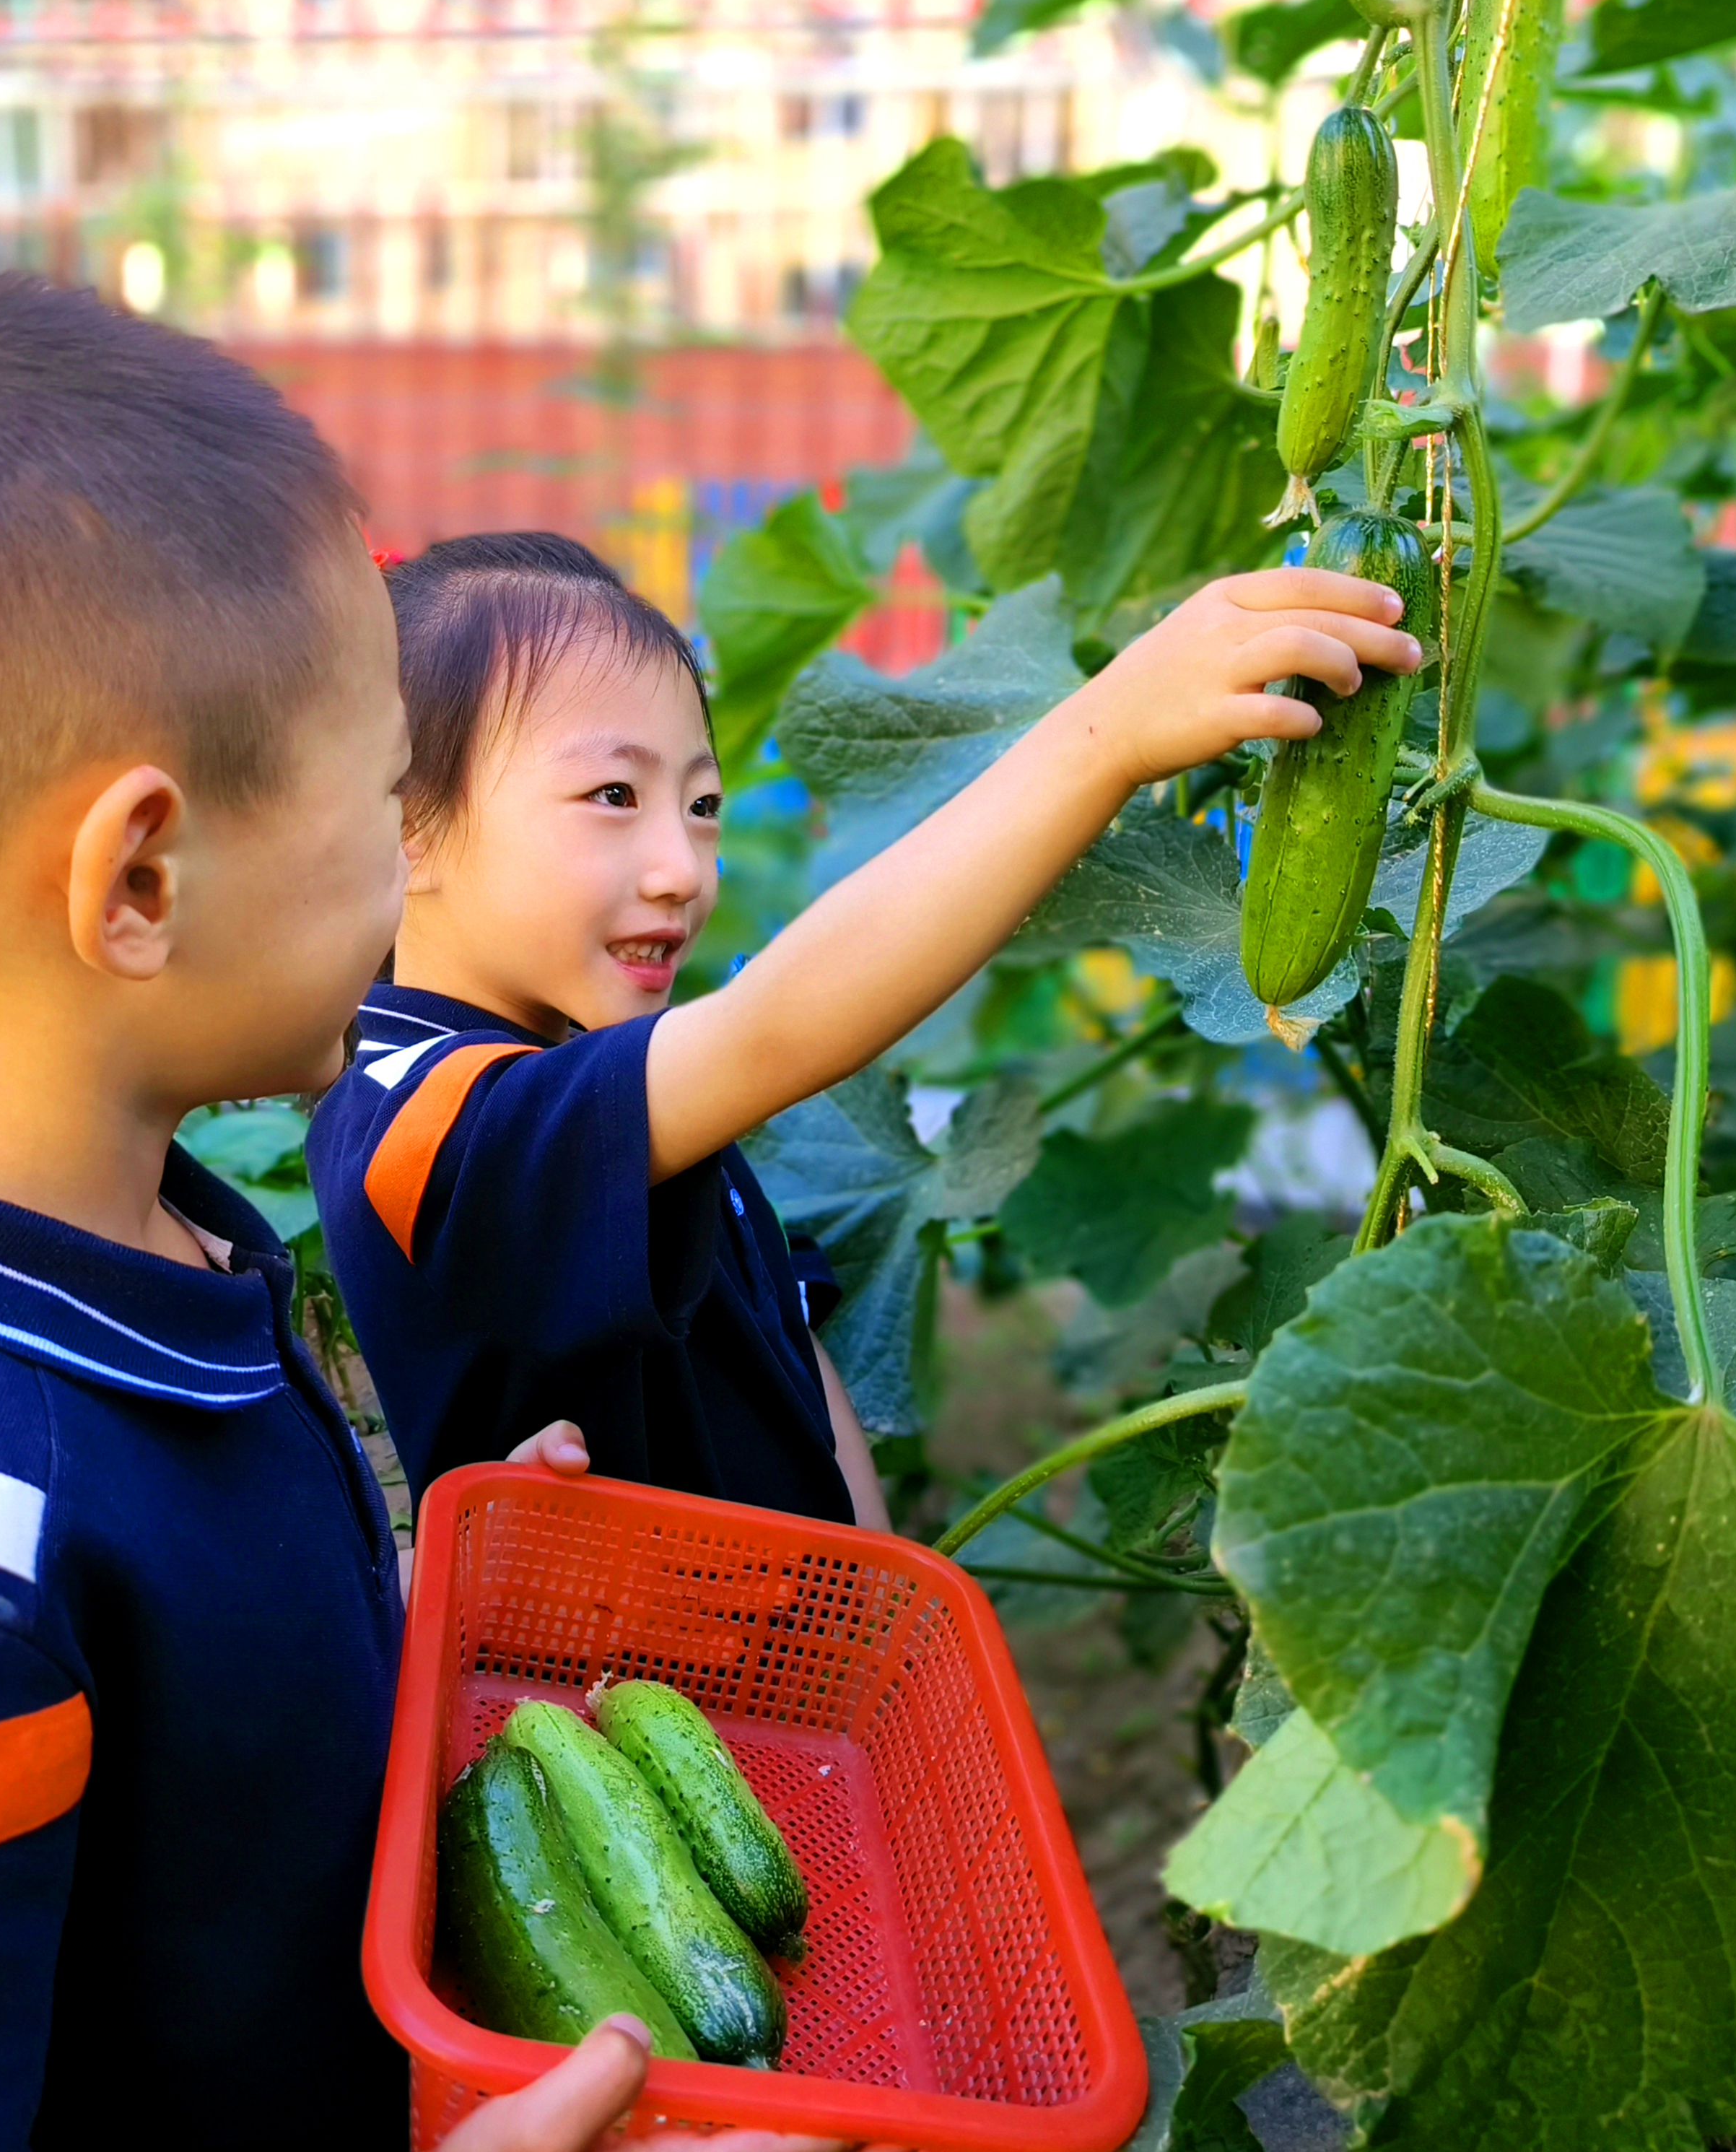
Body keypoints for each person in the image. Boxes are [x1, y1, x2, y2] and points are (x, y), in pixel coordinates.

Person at [0, 273, 833, 2152]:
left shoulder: (140, 1265)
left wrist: (392, 1625)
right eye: (377, 796)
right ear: (145, 879)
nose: (401, 864)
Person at [310, 531, 1415, 1525]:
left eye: (702, 808)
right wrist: (1105, 736)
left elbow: (794, 1353)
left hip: (781, 1709)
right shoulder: (424, 1120)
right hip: (620, 1729)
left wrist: (868, 1630)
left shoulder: (596, 1089)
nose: (680, 869)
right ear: (406, 830)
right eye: (613, 796)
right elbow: (775, 1030)